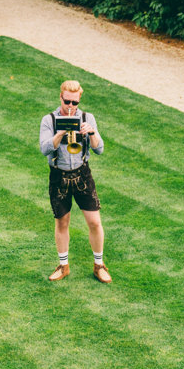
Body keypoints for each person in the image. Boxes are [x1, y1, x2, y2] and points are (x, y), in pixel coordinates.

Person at [39, 80, 111, 283]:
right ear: (60, 97)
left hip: (82, 175)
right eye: (67, 102)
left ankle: (99, 265)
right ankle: (63, 265)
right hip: (58, 176)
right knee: (62, 221)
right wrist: (60, 132)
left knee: (95, 222)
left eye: (74, 103)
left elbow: (99, 149)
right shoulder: (49, 120)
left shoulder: (88, 118)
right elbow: (44, 148)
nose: (70, 107)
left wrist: (92, 132)